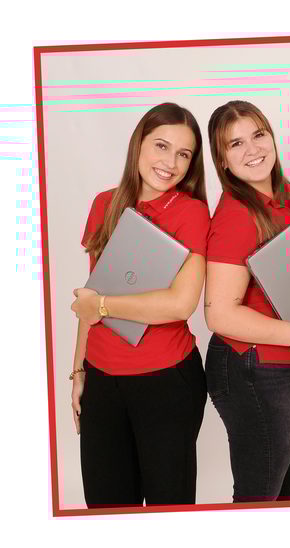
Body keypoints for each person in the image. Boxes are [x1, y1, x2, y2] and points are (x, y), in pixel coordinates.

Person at [70, 103, 211, 507]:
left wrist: (102, 307)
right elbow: (89, 298)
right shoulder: (104, 204)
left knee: (168, 508)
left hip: (165, 381)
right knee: (106, 508)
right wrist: (79, 370)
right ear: (139, 145)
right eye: (161, 146)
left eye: (184, 154)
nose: (171, 163)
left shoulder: (192, 212)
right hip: (100, 378)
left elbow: (179, 305)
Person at [201, 100, 290, 502]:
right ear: (222, 160)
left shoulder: (283, 198)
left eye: (258, 134)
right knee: (261, 497)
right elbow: (218, 313)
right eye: (235, 143)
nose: (252, 149)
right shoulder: (236, 214)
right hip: (252, 368)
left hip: (287, 364)